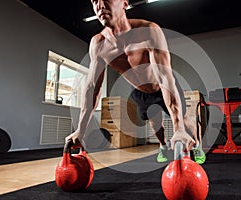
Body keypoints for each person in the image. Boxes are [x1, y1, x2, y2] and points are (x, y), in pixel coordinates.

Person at [66, 0, 206, 164]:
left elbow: (164, 78)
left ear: (124, 3)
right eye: (95, 1)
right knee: (155, 123)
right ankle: (163, 145)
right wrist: (80, 131)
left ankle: (197, 146)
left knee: (185, 119)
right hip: (141, 92)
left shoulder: (149, 31)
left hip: (163, 86)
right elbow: (92, 88)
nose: (100, 5)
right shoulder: (98, 44)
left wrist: (179, 128)